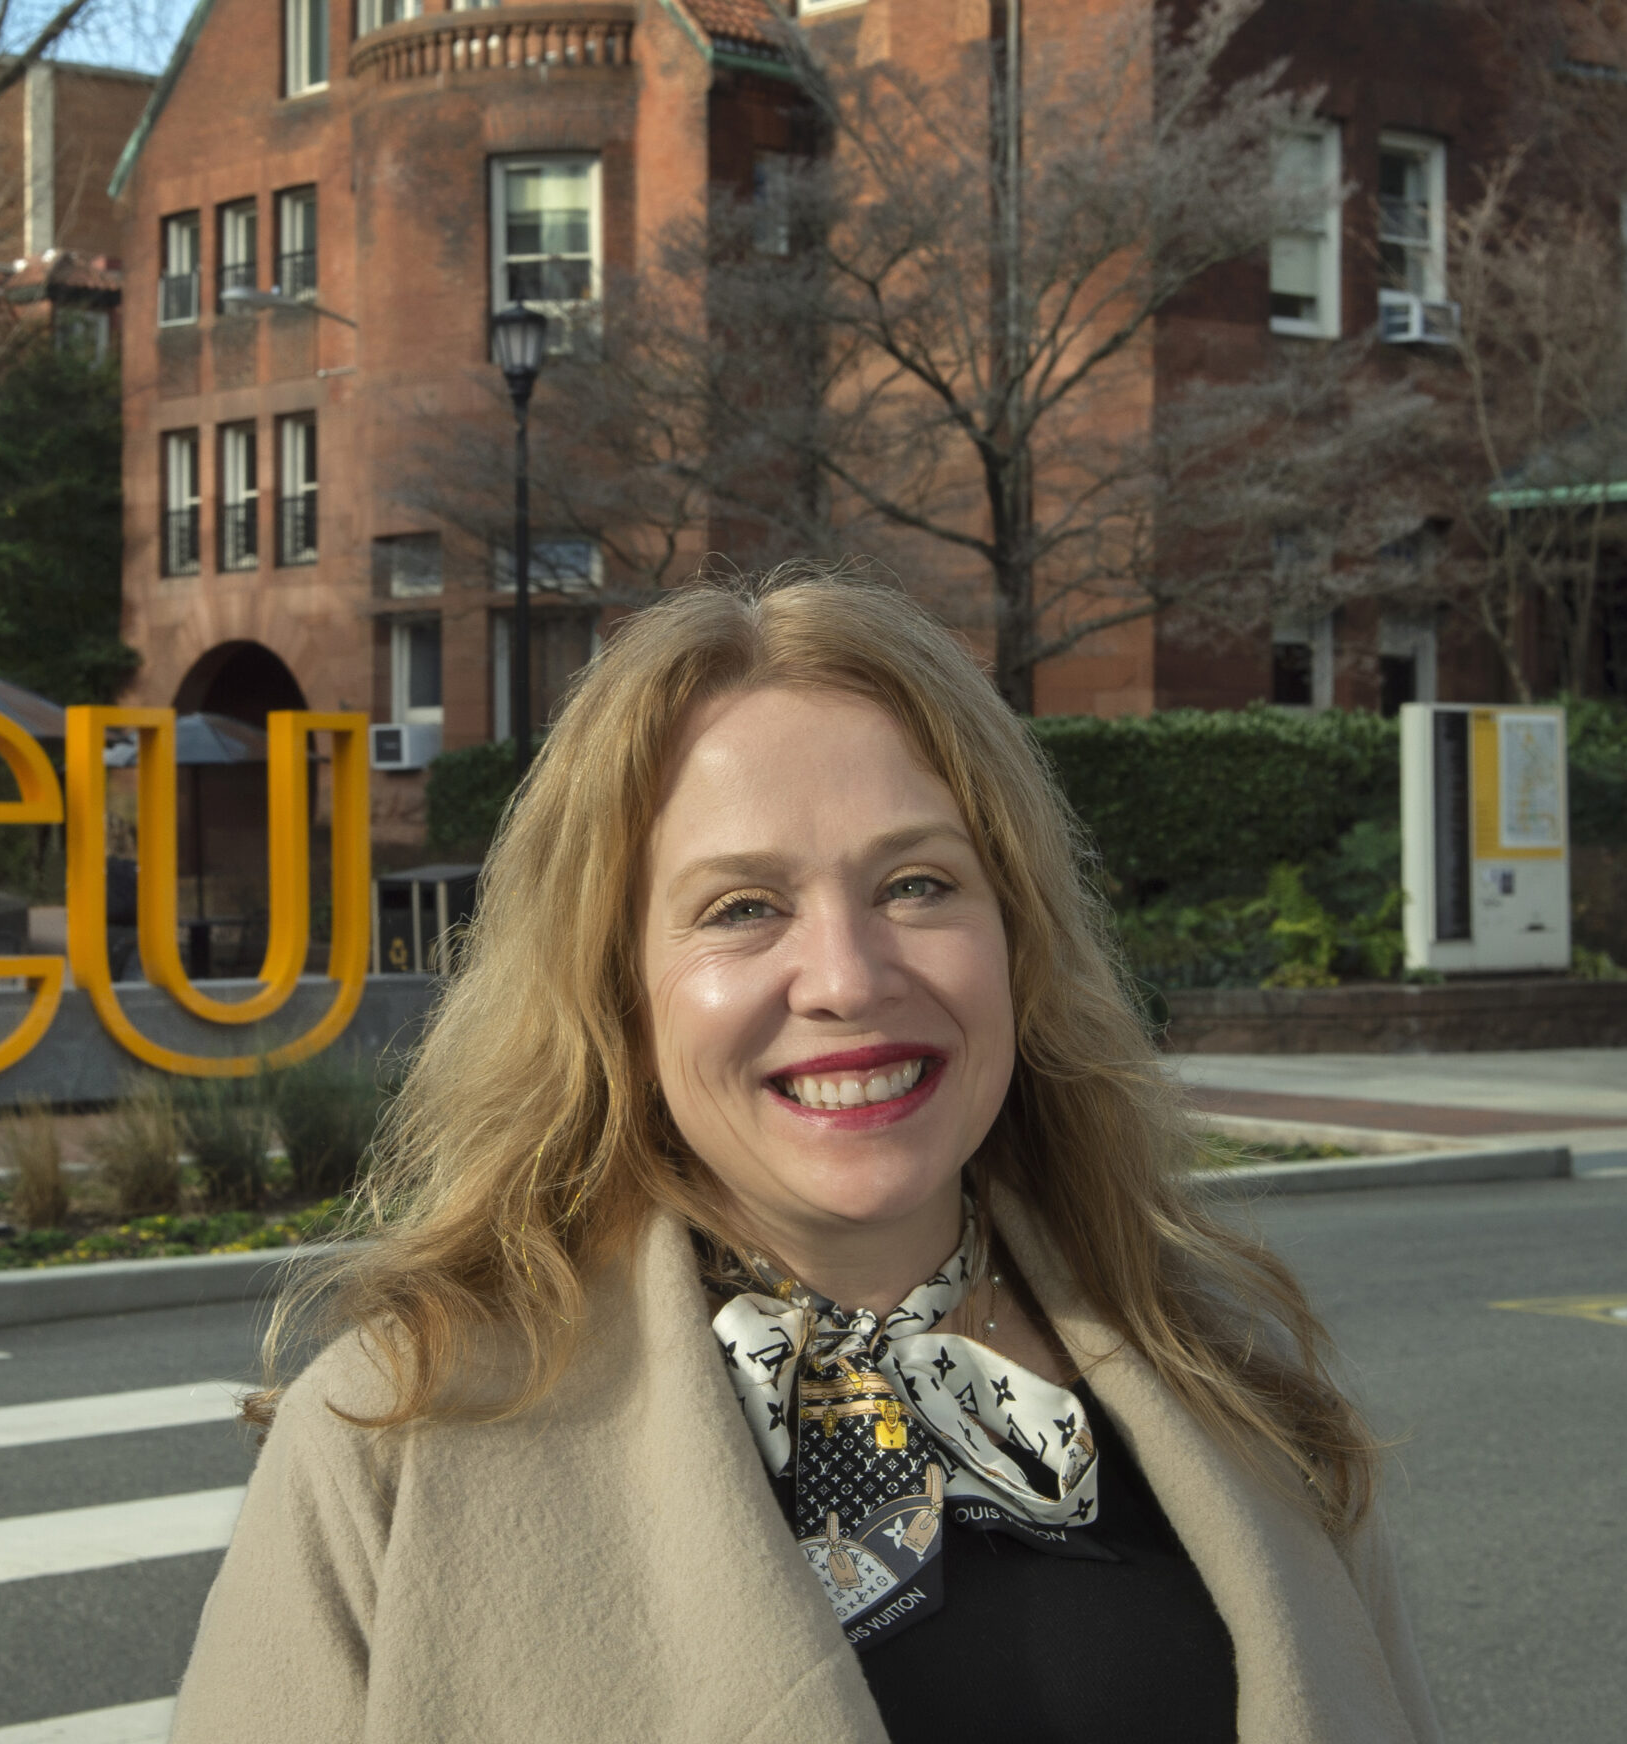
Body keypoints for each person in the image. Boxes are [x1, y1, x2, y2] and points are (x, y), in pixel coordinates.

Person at [171, 572, 1440, 1743]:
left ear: (1018, 939)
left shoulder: (1237, 1391)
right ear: (617, 986)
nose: (846, 977)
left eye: (918, 884)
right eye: (742, 908)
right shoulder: (392, 1441)